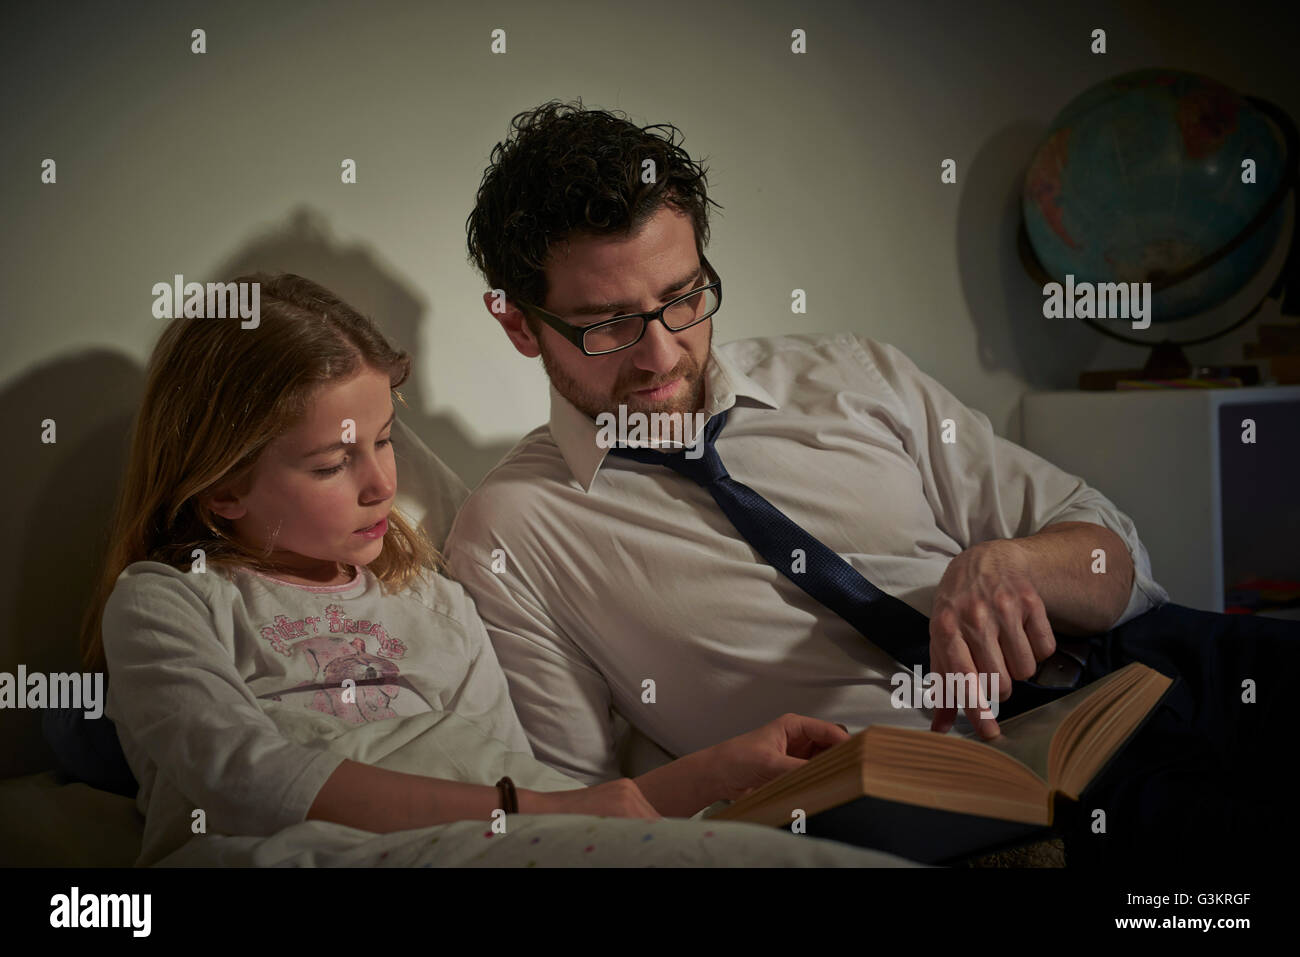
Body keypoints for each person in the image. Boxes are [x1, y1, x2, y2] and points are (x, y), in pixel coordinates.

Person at [446, 99, 1300, 867]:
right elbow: (576, 811)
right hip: (965, 792)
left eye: (684, 297)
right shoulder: (511, 533)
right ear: (522, 324)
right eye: (609, 325)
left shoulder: (849, 373)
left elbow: (1123, 560)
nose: (663, 353)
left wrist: (1015, 564)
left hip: (1163, 664)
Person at [78, 272, 914, 868]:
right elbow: (244, 782)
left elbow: (521, 774)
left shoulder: (429, 595)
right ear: (223, 487)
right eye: (332, 466)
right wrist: (536, 814)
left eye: (383, 442)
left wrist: (720, 769)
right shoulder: (166, 602)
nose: (381, 483)